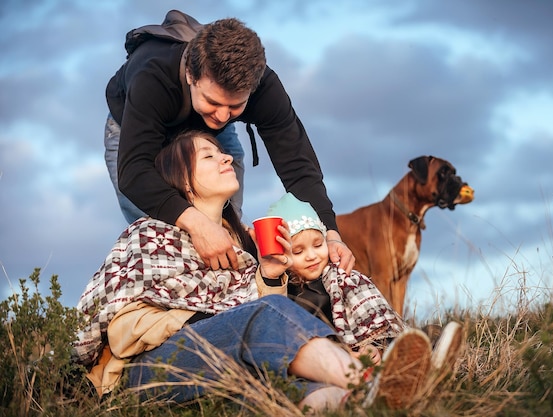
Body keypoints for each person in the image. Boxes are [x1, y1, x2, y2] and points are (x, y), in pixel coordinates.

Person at [74, 130, 434, 412]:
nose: (226, 156)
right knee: (267, 315)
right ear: (183, 181)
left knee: (285, 385)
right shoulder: (150, 234)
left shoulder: (243, 253)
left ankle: (362, 404)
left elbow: (258, 326)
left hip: (219, 367)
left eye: (222, 151)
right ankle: (371, 380)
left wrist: (271, 275)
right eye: (209, 155)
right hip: (149, 372)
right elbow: (107, 321)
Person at [104, 12, 354, 274]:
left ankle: (233, 292)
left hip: (210, 136)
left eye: (235, 106)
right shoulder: (153, 76)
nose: (222, 115)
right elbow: (134, 172)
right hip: (137, 129)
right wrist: (198, 223)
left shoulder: (264, 87)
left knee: (226, 226)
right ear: (191, 74)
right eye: (213, 102)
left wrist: (329, 232)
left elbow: (298, 167)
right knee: (159, 230)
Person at [266, 193, 464, 385]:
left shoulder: (343, 280)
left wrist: (372, 346)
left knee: (429, 333)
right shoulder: (288, 294)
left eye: (318, 245)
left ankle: (420, 358)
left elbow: (368, 320)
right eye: (298, 251)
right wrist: (349, 353)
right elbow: (306, 339)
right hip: (333, 362)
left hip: (363, 351)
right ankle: (405, 372)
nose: (312, 256)